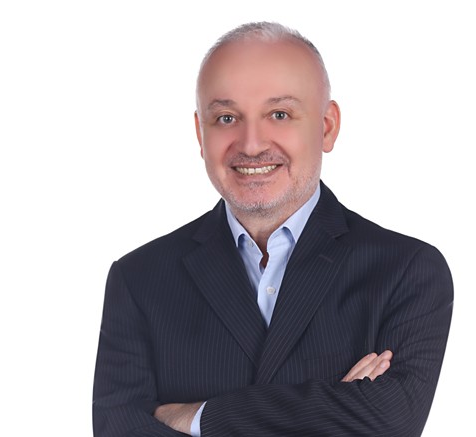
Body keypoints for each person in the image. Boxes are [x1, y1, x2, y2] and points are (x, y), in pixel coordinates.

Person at [93, 22, 453, 436]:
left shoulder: (405, 271)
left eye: (279, 114)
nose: (251, 144)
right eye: (226, 117)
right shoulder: (139, 279)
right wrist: (336, 407)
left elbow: (391, 422)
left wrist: (198, 418)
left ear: (327, 126)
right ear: (200, 133)